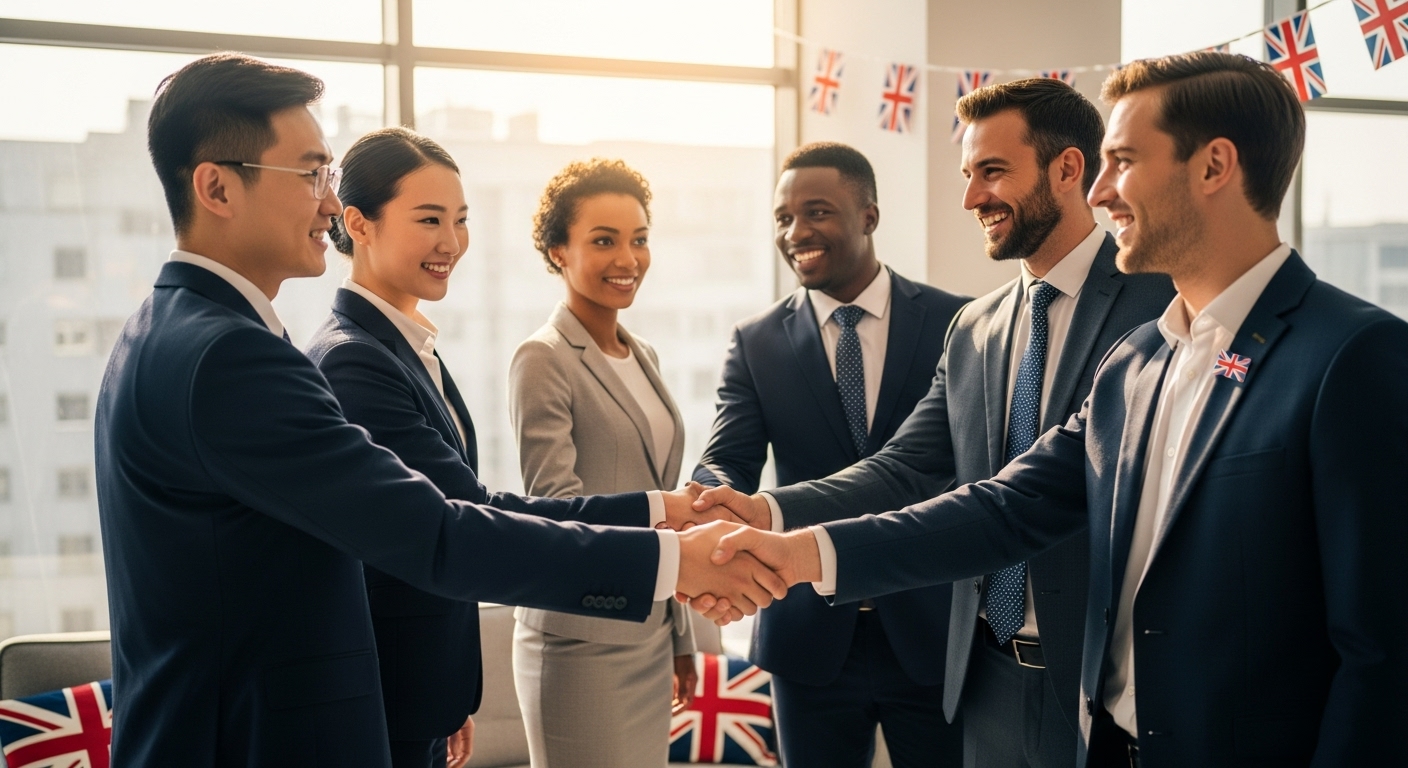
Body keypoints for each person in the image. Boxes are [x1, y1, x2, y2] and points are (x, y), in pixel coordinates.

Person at [701, 51, 1408, 766]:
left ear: (1214, 166)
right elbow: (1003, 508)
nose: (1101, 190)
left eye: (1123, 161)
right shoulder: (1140, 362)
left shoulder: (1354, 356)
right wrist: (790, 546)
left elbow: (1384, 651)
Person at [95, 53, 784, 767]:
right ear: (216, 187)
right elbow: (437, 532)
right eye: (310, 175)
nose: (329, 204)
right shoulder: (231, 358)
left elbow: (453, 510)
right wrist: (673, 561)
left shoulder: (172, 329)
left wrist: (657, 513)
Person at [695, 83, 1174, 768]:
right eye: (968, 175)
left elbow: (1026, 501)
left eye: (993, 172)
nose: (972, 198)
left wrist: (797, 550)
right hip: (983, 677)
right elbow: (905, 468)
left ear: (1069, 170)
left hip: (1101, 683)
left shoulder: (1158, 302)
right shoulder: (975, 327)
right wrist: (764, 509)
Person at [691, 142, 969, 767]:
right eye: (783, 218)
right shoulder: (756, 341)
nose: (796, 233)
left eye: (816, 212)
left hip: (929, 625)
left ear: (869, 215)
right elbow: (727, 456)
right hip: (807, 635)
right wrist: (707, 497)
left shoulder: (958, 323)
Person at [507, 158, 698, 768]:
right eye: (604, 240)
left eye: (639, 239)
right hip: (581, 641)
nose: (628, 259)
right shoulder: (543, 358)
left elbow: (659, 493)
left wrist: (680, 635)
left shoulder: (644, 355)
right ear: (559, 250)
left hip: (648, 629)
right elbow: (557, 505)